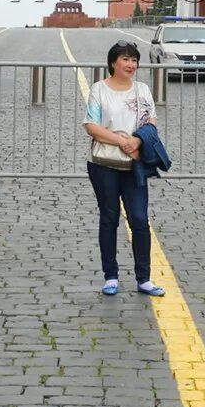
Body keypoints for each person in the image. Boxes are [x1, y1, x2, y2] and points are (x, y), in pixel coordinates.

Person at [81, 41, 165, 297]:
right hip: (103, 164)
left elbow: (151, 121)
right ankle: (111, 275)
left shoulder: (142, 90)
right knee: (109, 218)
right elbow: (91, 126)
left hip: (135, 164)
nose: (131, 65)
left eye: (134, 60)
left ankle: (144, 278)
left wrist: (136, 141)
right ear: (113, 63)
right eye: (125, 59)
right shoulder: (99, 90)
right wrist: (121, 141)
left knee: (139, 219)